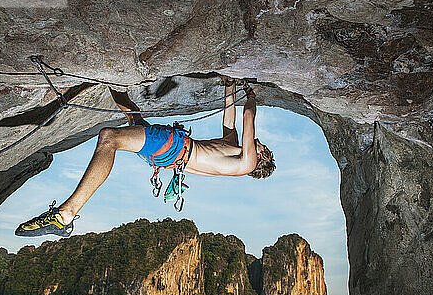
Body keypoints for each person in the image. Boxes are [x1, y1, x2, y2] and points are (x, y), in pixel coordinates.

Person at [15, 79, 275, 237]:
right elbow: (229, 113)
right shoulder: (232, 147)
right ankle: (114, 83)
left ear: (260, 157)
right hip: (170, 152)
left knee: (109, 138)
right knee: (133, 117)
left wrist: (251, 95)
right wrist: (230, 83)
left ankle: (65, 216)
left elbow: (247, 117)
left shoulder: (248, 163)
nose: (259, 144)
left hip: (173, 147)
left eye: (263, 148)